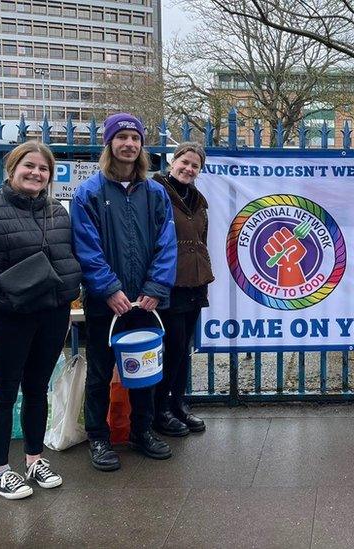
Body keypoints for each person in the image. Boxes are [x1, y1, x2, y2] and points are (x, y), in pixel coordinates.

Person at [0, 140, 81, 499]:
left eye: (43, 169)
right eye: (29, 166)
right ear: (12, 168)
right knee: (4, 392)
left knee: (38, 390)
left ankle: (34, 459)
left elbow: (65, 257)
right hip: (6, 317)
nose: (36, 173)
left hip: (51, 314)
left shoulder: (56, 211)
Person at [72, 113, 177, 471]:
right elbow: (86, 247)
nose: (129, 144)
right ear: (109, 143)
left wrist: (155, 288)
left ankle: (142, 431)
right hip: (107, 303)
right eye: (122, 138)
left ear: (142, 145)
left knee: (144, 370)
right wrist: (108, 289)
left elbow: (167, 242)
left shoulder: (155, 192)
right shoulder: (89, 193)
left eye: (135, 138)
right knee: (100, 372)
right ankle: (98, 437)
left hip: (145, 300)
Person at [150, 143, 213, 436]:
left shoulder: (197, 199)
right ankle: (159, 409)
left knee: (183, 348)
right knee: (171, 349)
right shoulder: (155, 191)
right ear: (172, 161)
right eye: (184, 162)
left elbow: (201, 237)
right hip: (168, 283)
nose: (188, 169)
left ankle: (178, 404)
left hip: (195, 282)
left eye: (195, 165)